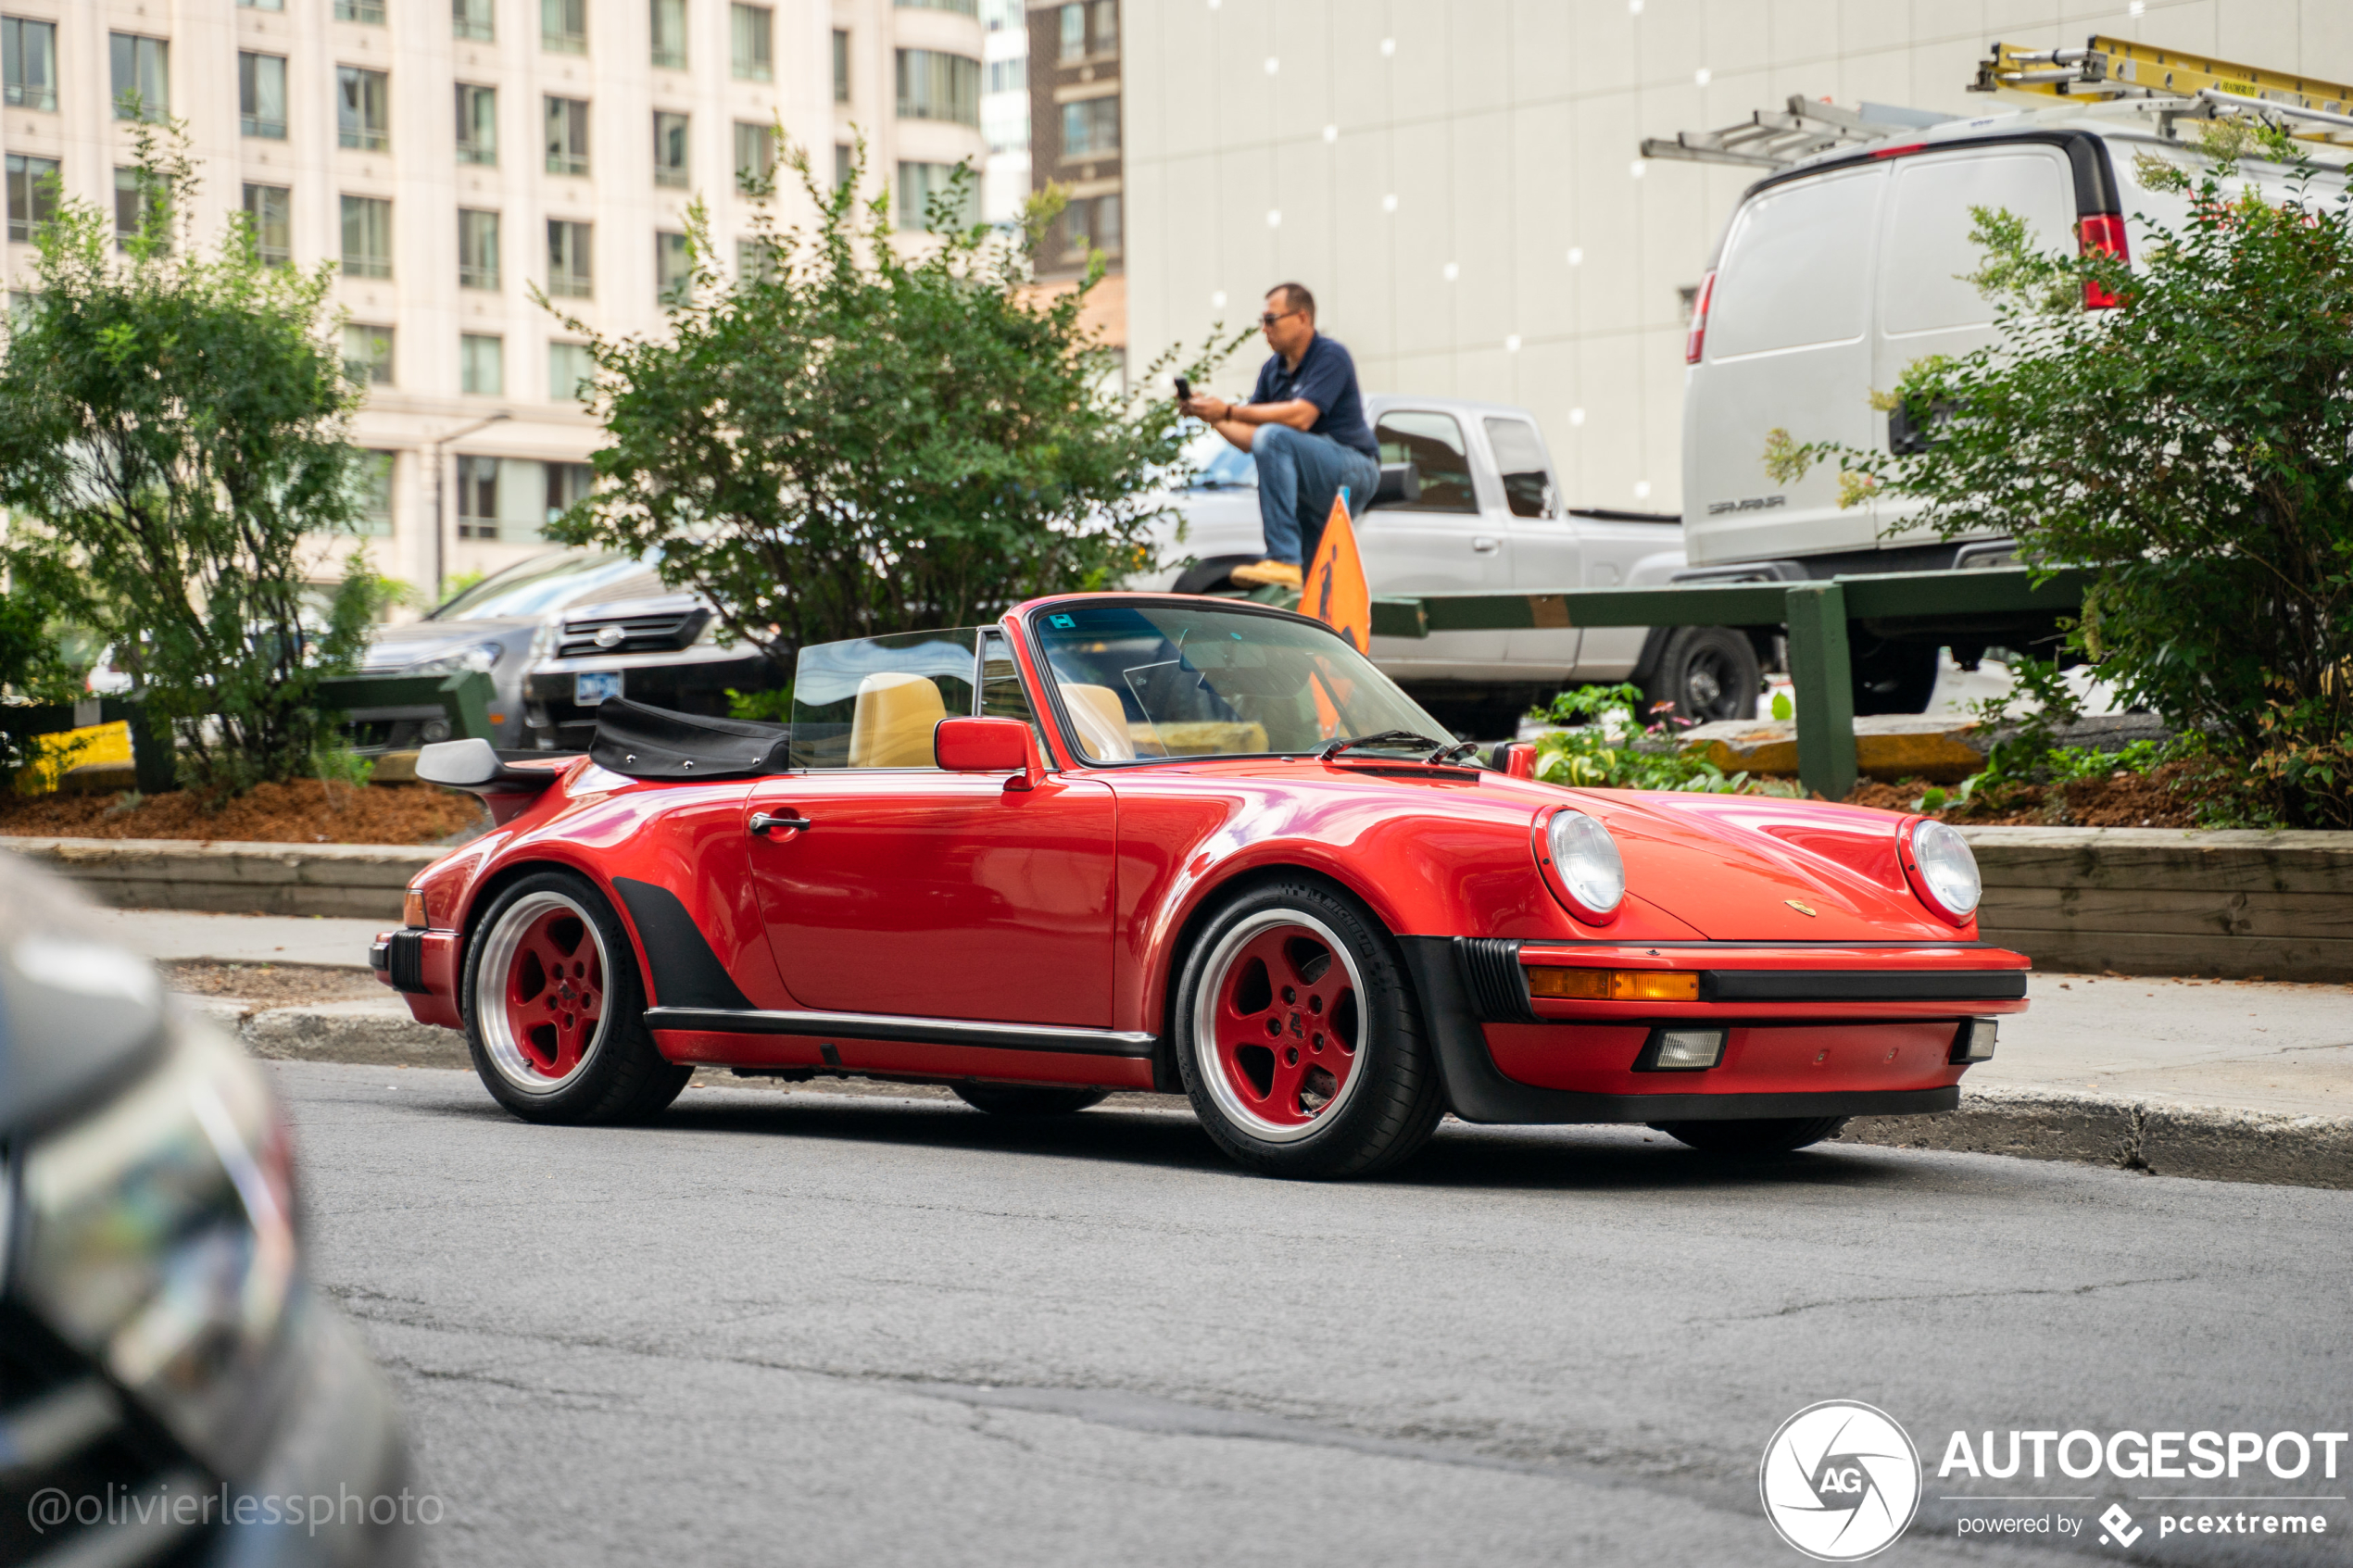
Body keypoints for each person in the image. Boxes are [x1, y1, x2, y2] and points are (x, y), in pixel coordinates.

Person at [1181, 283, 1380, 588]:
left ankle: (1283, 559)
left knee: (1274, 437)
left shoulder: (1331, 355)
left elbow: (1301, 418)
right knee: (1313, 585)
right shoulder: (1271, 370)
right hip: (1309, 482)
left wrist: (1230, 410)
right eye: (1262, 322)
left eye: (1270, 320)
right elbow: (1252, 441)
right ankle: (1293, 571)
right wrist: (1212, 416)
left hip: (1353, 469)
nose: (1264, 330)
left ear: (1302, 318)